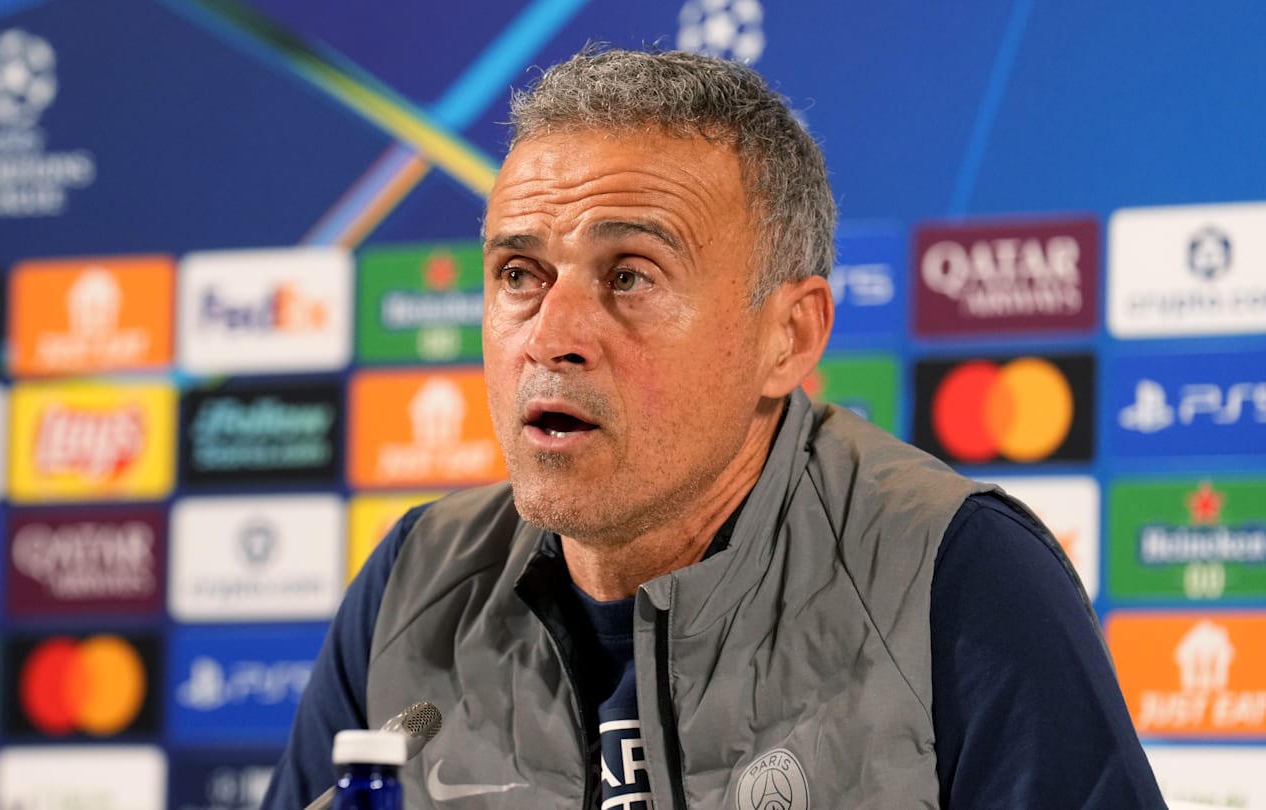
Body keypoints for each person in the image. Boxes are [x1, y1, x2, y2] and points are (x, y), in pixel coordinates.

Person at [263, 47, 1166, 809]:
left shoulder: (957, 572)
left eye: (629, 276)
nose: (551, 335)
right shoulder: (413, 583)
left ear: (790, 337)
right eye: (520, 275)